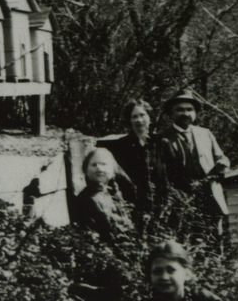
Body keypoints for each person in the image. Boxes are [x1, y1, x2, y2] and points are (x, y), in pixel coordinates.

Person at [152, 88, 229, 234]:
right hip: (180, 201)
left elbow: (222, 158)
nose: (185, 114)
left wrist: (219, 171)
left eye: (189, 109)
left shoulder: (205, 134)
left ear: (195, 112)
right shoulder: (161, 138)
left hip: (210, 196)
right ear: (171, 113)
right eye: (180, 110)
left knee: (214, 239)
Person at [98, 98, 155, 229]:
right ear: (129, 121)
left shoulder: (159, 143)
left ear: (150, 117)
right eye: (134, 116)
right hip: (133, 202)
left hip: (156, 202)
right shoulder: (121, 146)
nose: (139, 120)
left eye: (142, 115)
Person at [74, 148, 135, 244]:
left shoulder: (113, 193)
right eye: (94, 165)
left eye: (103, 164)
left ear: (111, 169)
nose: (99, 168)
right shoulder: (86, 199)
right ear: (86, 169)